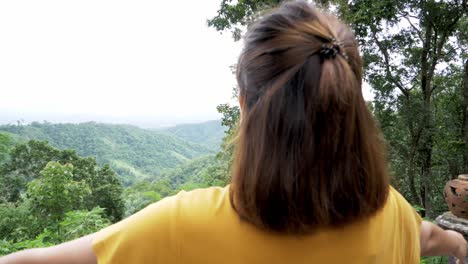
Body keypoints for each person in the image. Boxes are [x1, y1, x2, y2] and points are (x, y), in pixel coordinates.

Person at [1, 1, 466, 263]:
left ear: (245, 105)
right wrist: (459, 244)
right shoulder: (390, 213)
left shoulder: (181, 227)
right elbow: (426, 236)